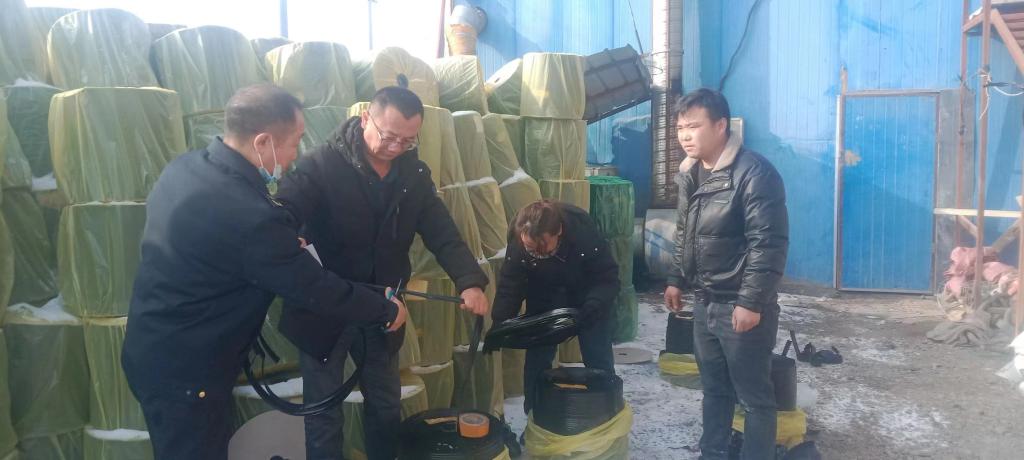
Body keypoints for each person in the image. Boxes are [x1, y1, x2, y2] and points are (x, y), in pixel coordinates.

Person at [121, 84, 407, 460]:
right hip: (188, 375)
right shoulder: (250, 217)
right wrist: (384, 309)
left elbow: (225, 243)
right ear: (262, 142)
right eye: (295, 142)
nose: (295, 155)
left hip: (154, 349)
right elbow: (315, 288)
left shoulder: (186, 169)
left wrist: (278, 244)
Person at [275, 86, 490, 460]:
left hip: (383, 309)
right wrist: (285, 232)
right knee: (323, 411)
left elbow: (442, 232)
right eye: (389, 136)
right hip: (324, 307)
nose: (395, 147)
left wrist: (469, 281)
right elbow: (286, 205)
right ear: (365, 119)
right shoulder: (321, 165)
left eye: (407, 141)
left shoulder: (413, 175)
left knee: (386, 403)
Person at [664, 88, 789, 459]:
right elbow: (685, 231)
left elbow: (768, 243)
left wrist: (751, 302)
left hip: (740, 306)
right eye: (680, 128)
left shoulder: (754, 173)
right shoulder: (690, 173)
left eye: (694, 126)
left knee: (753, 398)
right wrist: (676, 279)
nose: (685, 136)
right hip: (705, 302)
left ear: (721, 126)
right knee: (715, 390)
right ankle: (713, 453)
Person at [490, 200, 620, 420]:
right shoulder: (519, 242)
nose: (536, 253)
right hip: (545, 299)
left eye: (542, 247)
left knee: (598, 358)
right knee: (537, 361)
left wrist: (594, 304)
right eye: (530, 248)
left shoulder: (584, 235)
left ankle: (604, 417)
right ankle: (536, 418)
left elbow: (608, 278)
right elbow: (511, 285)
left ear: (559, 231)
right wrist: (500, 323)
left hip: (588, 301)